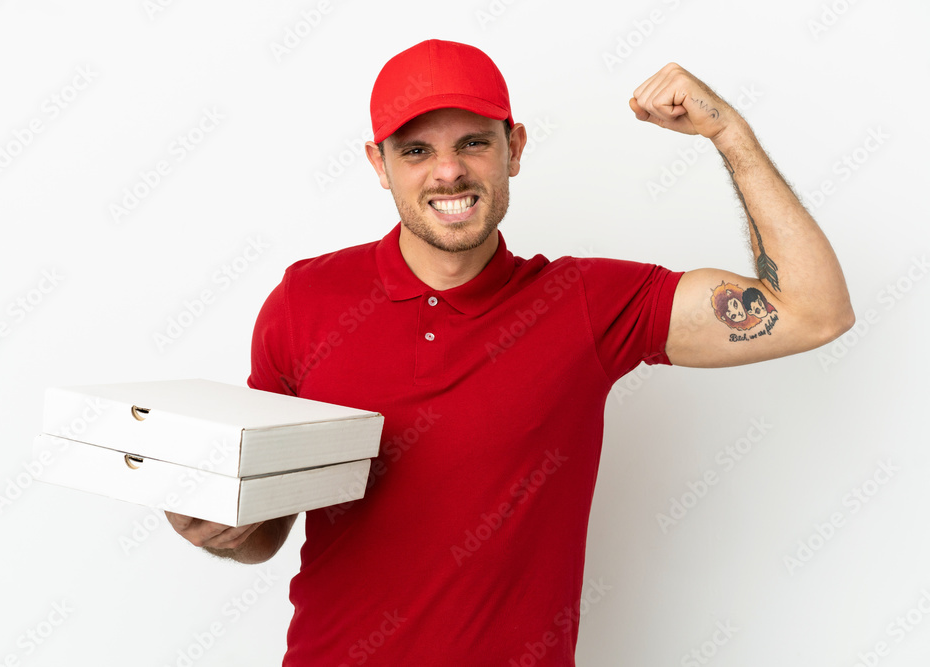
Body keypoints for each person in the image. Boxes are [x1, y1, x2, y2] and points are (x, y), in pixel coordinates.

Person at [165, 39, 853, 665]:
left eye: (473, 143)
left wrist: (729, 133)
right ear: (379, 165)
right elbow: (266, 526)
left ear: (514, 148)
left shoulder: (587, 303)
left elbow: (812, 312)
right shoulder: (306, 301)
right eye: (415, 151)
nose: (448, 172)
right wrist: (219, 525)